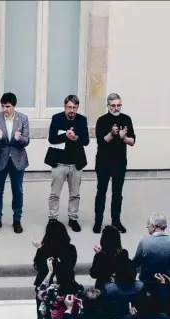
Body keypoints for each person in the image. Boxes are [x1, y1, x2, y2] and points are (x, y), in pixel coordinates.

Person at [0, 92, 30, 234]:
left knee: (18, 190)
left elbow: (27, 140)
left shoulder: (23, 119)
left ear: (14, 106)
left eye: (8, 106)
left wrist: (19, 139)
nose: (5, 109)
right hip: (0, 159)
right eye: (3, 106)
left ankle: (17, 220)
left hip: (18, 160)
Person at [94, 93, 136, 234]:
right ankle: (98, 221)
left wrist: (123, 137)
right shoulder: (102, 120)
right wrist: (112, 134)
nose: (116, 108)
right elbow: (101, 141)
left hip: (119, 162)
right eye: (113, 105)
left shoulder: (126, 119)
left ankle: (116, 221)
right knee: (101, 191)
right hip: (103, 162)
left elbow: (132, 141)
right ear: (108, 106)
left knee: (117, 193)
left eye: (119, 105)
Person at [46, 95, 90, 232]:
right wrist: (66, 136)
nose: (72, 110)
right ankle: (53, 219)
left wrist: (76, 138)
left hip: (76, 163)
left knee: (75, 194)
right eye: (69, 107)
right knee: (54, 194)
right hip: (59, 163)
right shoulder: (56, 118)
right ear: (65, 107)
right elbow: (52, 139)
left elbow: (86, 141)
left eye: (75, 108)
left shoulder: (82, 120)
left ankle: (73, 218)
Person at [133, 213, 170, 285]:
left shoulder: (144, 242)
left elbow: (135, 263)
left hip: (147, 283)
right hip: (167, 283)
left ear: (153, 226)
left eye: (148, 225)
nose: (147, 227)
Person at [90, 225, 129, 289]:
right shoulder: (124, 253)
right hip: (119, 287)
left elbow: (93, 274)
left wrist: (100, 254)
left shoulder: (99, 256)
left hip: (103, 288)